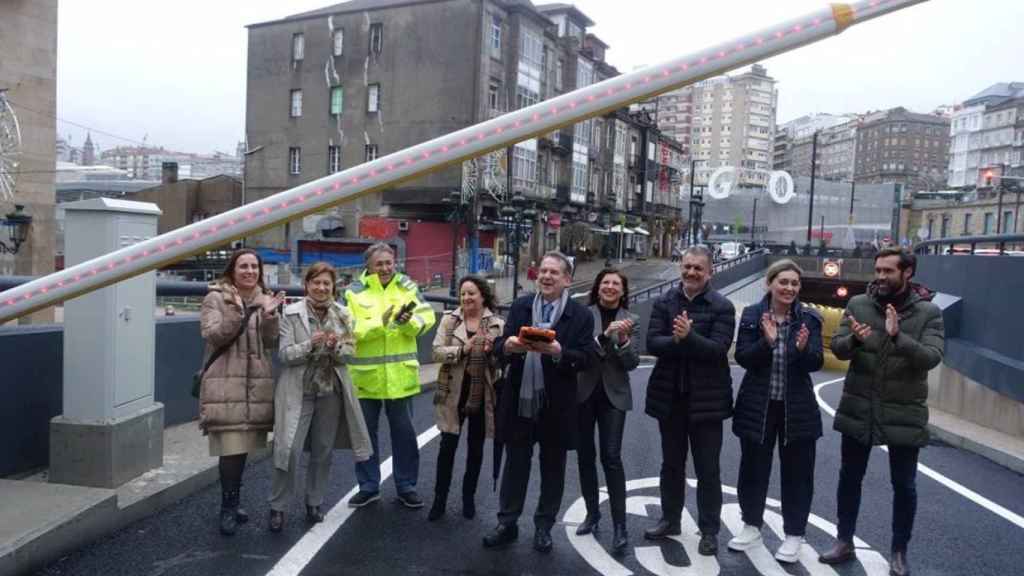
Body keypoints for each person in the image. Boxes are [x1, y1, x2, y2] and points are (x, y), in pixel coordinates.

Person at [819, 248, 944, 576]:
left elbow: (931, 357)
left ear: (908, 273)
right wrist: (856, 342)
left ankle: (899, 552)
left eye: (889, 271)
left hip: (904, 411)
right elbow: (839, 348)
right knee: (850, 478)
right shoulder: (858, 304)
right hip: (859, 405)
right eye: (878, 270)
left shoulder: (930, 313)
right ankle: (844, 541)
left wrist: (896, 336)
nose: (880, 276)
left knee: (904, 485)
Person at [483, 252, 594, 553]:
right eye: (543, 271)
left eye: (553, 273)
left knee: (553, 467)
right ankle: (507, 523)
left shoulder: (581, 315)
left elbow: (585, 359)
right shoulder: (520, 307)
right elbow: (499, 346)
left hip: (557, 404)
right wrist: (507, 345)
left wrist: (559, 352)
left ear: (566, 279)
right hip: (519, 398)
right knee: (515, 464)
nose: (546, 277)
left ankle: (544, 527)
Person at [728, 260, 824, 562]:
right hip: (759, 405)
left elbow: (816, 362)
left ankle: (794, 534)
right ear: (769, 284)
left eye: (795, 283)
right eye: (783, 282)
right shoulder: (753, 315)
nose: (789, 288)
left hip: (798, 408)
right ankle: (751, 526)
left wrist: (801, 350)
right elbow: (742, 356)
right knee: (753, 469)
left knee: (798, 474)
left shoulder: (810, 318)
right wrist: (766, 342)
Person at [643, 245, 735, 556]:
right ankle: (670, 519)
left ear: (710, 272)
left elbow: (718, 349)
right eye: (687, 267)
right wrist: (679, 340)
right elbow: (653, 343)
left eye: (698, 268)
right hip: (670, 398)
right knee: (671, 465)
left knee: (708, 469)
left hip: (707, 402)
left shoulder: (722, 306)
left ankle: (709, 530)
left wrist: (688, 338)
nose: (691, 273)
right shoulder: (664, 301)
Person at [269, 262, 372, 532]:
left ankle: (314, 502)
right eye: (316, 282)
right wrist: (310, 345)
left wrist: (335, 346)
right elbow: (284, 355)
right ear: (307, 285)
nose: (322, 288)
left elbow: (350, 352)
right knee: (288, 450)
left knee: (323, 451)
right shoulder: (290, 313)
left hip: (330, 391)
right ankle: (278, 506)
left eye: (327, 283)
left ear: (333, 287)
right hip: (298, 390)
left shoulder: (344, 314)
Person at [198, 249, 286, 536]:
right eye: (243, 266)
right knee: (230, 448)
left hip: (256, 382)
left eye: (254, 266)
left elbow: (271, 343)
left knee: (243, 447)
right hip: (226, 380)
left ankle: (234, 504)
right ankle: (227, 506)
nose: (250, 271)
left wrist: (271, 315)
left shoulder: (266, 298)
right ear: (232, 270)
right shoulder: (215, 297)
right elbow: (213, 335)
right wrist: (242, 311)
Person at [343, 243, 436, 509]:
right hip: (365, 376)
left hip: (400, 376)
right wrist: (378, 324)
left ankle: (406, 486)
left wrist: (408, 322)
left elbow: (427, 317)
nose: (385, 268)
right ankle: (368, 486)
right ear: (368, 266)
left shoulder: (407, 286)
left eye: (388, 263)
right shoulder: (352, 292)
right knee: (365, 436)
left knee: (405, 435)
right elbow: (347, 328)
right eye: (379, 264)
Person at [428, 275, 505, 521]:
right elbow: (436, 352)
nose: (466, 298)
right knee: (447, 447)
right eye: (463, 294)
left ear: (483, 295)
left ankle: (468, 499)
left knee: (475, 448)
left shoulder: (497, 324)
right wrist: (463, 349)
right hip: (453, 392)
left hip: (482, 394)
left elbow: (503, 360)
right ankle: (439, 500)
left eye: (471, 293)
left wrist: (492, 353)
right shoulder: (449, 321)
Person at [575, 268, 640, 554]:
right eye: (606, 282)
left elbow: (632, 363)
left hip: (614, 395)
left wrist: (623, 341)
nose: (610, 287)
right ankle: (592, 514)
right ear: (598, 287)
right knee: (585, 455)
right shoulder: (582, 315)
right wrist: (604, 337)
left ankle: (620, 526)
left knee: (611, 457)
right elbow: (581, 352)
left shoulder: (631, 319)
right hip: (583, 392)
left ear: (623, 291)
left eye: (616, 284)